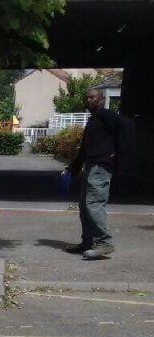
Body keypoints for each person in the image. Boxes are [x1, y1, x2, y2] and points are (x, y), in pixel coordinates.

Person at [63, 88, 128, 260]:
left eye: (93, 97)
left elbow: (129, 127)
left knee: (94, 204)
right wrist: (73, 168)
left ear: (101, 99)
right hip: (91, 166)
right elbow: (84, 149)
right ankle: (88, 242)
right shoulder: (93, 121)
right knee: (85, 206)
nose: (89, 100)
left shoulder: (107, 116)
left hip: (101, 167)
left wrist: (119, 153)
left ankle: (104, 243)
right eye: (87, 98)